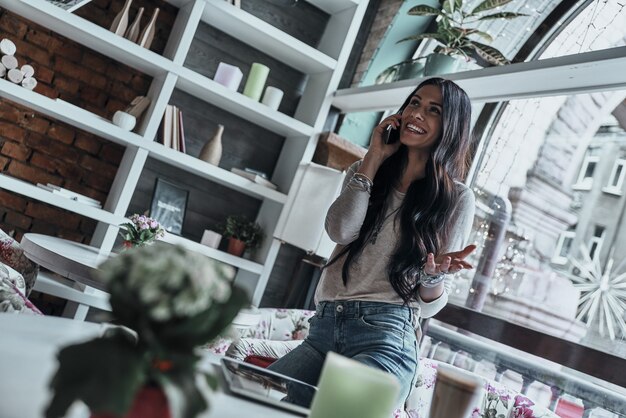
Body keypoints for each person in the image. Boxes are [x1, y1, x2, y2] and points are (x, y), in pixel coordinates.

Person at [268, 77, 477, 413]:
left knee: (336, 412)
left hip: (385, 338)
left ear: (451, 127)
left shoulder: (456, 199)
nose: (417, 114)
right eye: (414, 103)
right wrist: (374, 156)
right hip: (324, 330)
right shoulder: (365, 170)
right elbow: (340, 231)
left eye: (433, 110)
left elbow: (428, 306)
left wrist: (433, 277)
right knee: (245, 396)